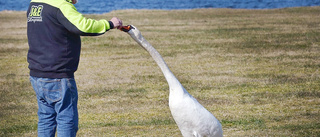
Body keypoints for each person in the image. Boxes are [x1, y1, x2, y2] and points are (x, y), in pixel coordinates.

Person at [27, 0, 122, 136]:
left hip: (37, 74)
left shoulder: (35, 3)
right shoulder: (62, 6)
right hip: (58, 76)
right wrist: (109, 24)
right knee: (67, 120)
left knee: (46, 119)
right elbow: (83, 26)